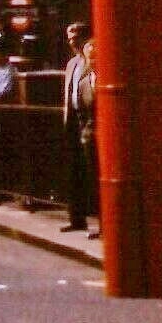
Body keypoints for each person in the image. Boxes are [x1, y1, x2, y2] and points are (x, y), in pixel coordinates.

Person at [61, 21, 92, 232]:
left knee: (90, 172)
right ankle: (76, 219)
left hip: (88, 121)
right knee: (73, 172)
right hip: (72, 121)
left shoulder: (93, 61)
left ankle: (100, 222)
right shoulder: (71, 63)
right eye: (69, 38)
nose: (72, 42)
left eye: (76, 38)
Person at [77, 36, 101, 239]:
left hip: (107, 137)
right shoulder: (84, 83)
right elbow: (82, 112)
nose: (92, 62)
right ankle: (102, 224)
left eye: (95, 58)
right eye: (89, 58)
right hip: (90, 136)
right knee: (95, 182)